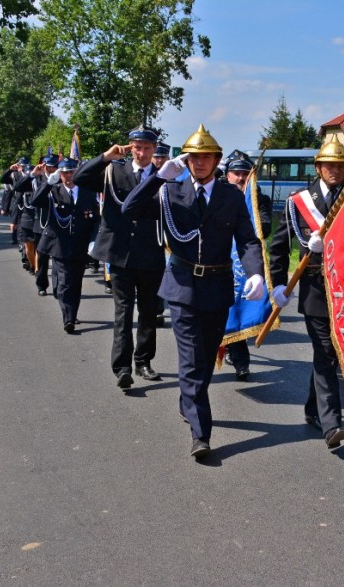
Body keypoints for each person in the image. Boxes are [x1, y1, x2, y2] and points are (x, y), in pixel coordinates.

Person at [122, 124, 265, 459]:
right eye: (193, 158)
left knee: (203, 360)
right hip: (183, 286)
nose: (199, 163)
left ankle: (188, 399)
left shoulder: (230, 195)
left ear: (216, 160)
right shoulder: (170, 190)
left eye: (206, 158)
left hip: (216, 286)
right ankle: (201, 434)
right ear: (185, 161)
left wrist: (256, 274)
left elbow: (246, 238)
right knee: (189, 360)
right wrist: (157, 177)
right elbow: (129, 209)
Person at [268, 136, 344, 450]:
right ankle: (332, 424)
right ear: (318, 167)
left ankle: (312, 408)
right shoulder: (299, 201)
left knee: (331, 354)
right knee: (325, 352)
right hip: (315, 288)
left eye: (341, 165)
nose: (336, 170)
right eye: (330, 164)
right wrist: (278, 284)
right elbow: (277, 248)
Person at [72, 125, 166, 390]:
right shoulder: (114, 170)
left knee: (148, 312)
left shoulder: (163, 177)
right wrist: (105, 157)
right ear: (130, 147)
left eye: (147, 148)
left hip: (150, 253)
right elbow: (80, 178)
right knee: (123, 312)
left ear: (154, 149)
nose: (142, 152)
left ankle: (144, 362)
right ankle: (122, 367)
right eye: (137, 147)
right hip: (120, 253)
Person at [31, 157, 100, 333]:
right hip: (59, 244)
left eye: (71, 172)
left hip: (81, 244)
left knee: (76, 282)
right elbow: (35, 201)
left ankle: (72, 312)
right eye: (64, 173)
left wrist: (93, 240)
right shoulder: (53, 191)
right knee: (65, 282)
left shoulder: (87, 192)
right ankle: (68, 318)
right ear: (59, 174)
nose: (68, 176)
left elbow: (96, 220)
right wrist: (48, 183)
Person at [222, 154, 272, 380]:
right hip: (221, 260)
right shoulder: (218, 195)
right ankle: (235, 357)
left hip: (247, 260)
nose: (241, 178)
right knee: (225, 311)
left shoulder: (258, 199)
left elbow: (266, 226)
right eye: (236, 174)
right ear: (228, 175)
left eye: (245, 174)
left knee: (242, 308)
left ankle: (240, 359)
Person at [13, 153, 59, 287]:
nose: (50, 169)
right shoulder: (37, 179)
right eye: (48, 166)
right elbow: (18, 187)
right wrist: (32, 174)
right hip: (41, 223)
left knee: (58, 257)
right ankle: (42, 284)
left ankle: (58, 286)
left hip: (59, 223)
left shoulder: (61, 178)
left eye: (53, 167)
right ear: (43, 166)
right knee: (42, 256)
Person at [151, 142, 172, 326]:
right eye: (156, 157)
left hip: (172, 234)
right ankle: (157, 310)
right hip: (151, 234)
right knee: (155, 274)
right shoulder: (146, 177)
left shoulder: (175, 177)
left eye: (162, 157)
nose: (159, 160)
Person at [1, 157, 30, 245]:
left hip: (28, 201)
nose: (23, 168)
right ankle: (14, 237)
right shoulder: (14, 175)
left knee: (26, 221)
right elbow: (3, 180)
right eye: (21, 166)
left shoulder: (31, 174)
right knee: (14, 221)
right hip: (17, 201)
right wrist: (9, 170)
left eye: (25, 166)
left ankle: (24, 238)